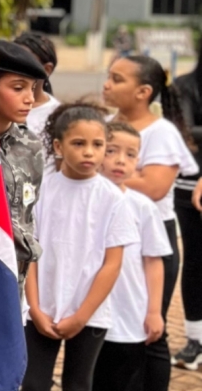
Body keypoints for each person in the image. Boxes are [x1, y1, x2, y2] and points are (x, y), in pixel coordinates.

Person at [23, 102, 137, 391]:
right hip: (41, 307)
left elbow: (112, 264)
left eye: (98, 144)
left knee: (78, 384)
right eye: (78, 143)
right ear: (59, 147)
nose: (89, 151)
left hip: (90, 312)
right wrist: (35, 308)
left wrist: (81, 316)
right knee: (33, 383)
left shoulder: (113, 199)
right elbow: (30, 253)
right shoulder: (41, 191)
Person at [103, 54, 198, 389]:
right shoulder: (104, 123)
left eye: (117, 79)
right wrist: (134, 175)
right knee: (110, 326)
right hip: (108, 239)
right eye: (108, 76)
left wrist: (110, 176)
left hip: (151, 244)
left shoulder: (161, 133)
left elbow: (156, 188)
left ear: (143, 91)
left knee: (151, 328)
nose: (107, 84)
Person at [93, 122, 173, 391]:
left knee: (126, 379)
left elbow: (153, 261)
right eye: (112, 150)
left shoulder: (143, 207)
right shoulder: (87, 198)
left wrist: (154, 311)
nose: (120, 160)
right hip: (88, 313)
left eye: (130, 154)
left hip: (128, 313)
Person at [0, 39, 49, 300]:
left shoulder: (29, 144)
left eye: (32, 88)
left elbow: (26, 215)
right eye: (18, 88)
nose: (29, 99)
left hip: (15, 279)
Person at [173, 48, 202, 370]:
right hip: (189, 187)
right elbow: (185, 135)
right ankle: (196, 340)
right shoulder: (184, 85)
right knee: (195, 261)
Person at [15, 31, 61, 139]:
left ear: (46, 70)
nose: (15, 70)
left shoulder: (57, 115)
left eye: (24, 64)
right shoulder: (0, 106)